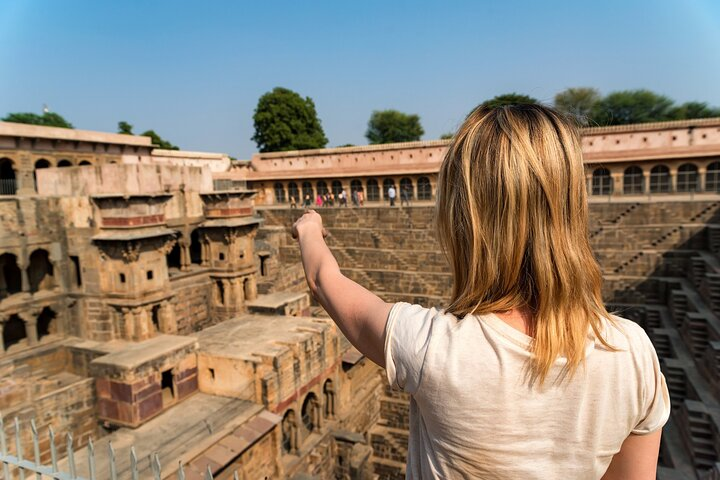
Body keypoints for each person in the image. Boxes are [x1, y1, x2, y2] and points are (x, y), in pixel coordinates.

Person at [292, 104, 669, 479]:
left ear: (464, 220)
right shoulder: (632, 353)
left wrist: (310, 228)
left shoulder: (430, 347)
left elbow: (324, 281)